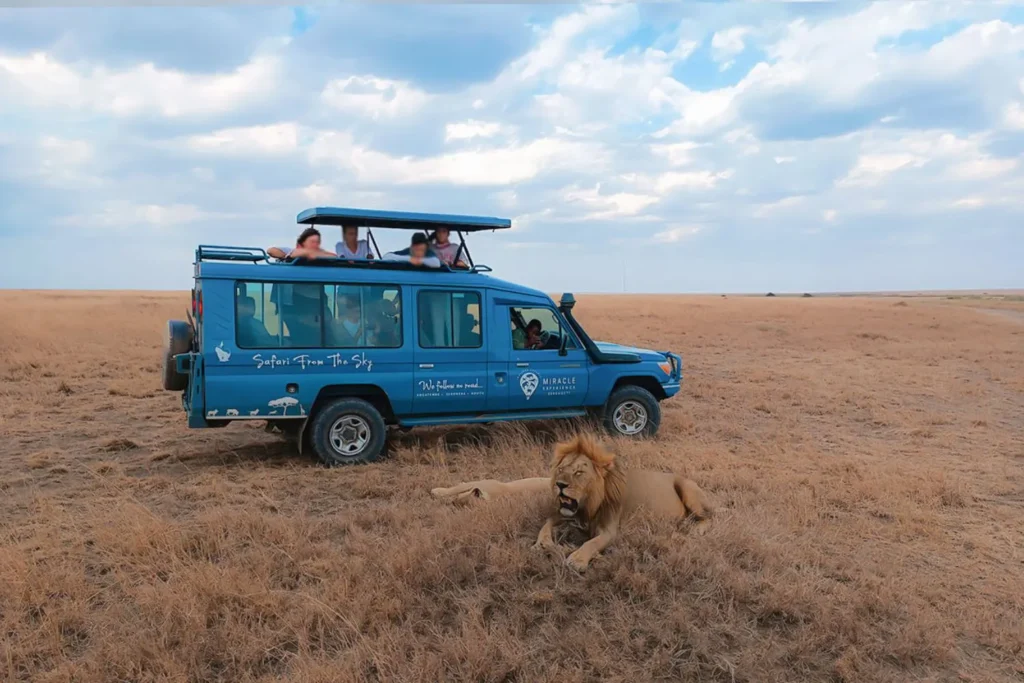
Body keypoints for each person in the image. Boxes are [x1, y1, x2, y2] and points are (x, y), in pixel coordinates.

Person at [268, 227, 335, 261]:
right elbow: (271, 251)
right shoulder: (292, 251)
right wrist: (287, 257)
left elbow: (334, 257)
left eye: (317, 242)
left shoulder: (320, 253)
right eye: (312, 242)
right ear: (303, 242)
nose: (315, 244)